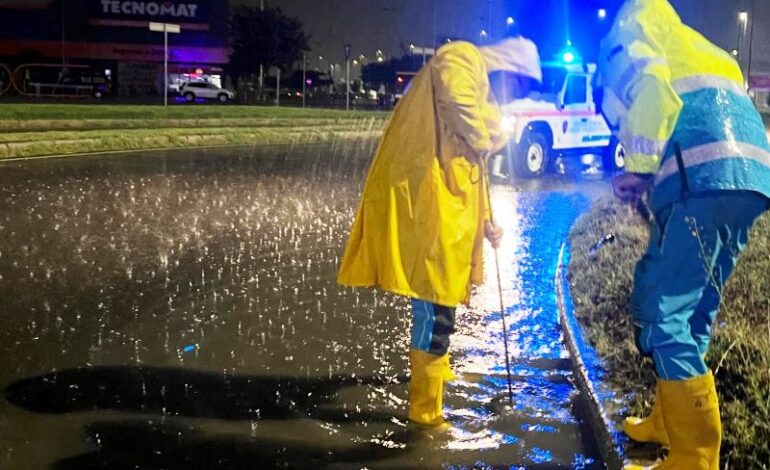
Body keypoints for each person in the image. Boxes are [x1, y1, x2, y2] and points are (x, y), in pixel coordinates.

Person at [595, 0, 770, 467]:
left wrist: (639, 168)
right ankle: (668, 421)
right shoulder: (691, 42)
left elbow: (650, 92)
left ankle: (695, 454)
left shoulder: (625, 37)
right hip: (749, 178)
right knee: (694, 309)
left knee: (658, 308)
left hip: (702, 174)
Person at [337, 37, 541, 427]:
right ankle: (425, 414)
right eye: (517, 86)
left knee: (441, 304)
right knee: (435, 305)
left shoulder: (481, 89)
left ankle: (436, 376)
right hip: (427, 208)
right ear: (506, 68)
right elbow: (473, 130)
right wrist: (497, 132)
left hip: (445, 211)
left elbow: (470, 164)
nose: (512, 97)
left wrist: (485, 222)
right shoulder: (462, 59)